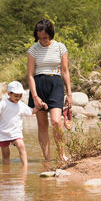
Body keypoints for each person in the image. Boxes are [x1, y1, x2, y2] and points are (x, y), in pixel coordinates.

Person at [27, 19, 72, 164]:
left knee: (56, 121)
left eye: (45, 38)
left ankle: (61, 155)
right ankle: (47, 159)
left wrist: (69, 94)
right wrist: (35, 96)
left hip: (56, 85)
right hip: (38, 86)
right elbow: (30, 75)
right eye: (39, 38)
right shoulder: (33, 50)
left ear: (51, 34)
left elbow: (65, 71)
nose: (42, 41)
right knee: (42, 125)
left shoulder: (60, 47)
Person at [0, 81, 47, 166]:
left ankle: (25, 167)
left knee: (21, 146)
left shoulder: (20, 105)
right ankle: (6, 171)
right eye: (16, 96)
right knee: (5, 154)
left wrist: (39, 106)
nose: (18, 98)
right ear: (9, 94)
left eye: (20, 96)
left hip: (16, 132)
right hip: (3, 132)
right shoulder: (4, 103)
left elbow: (31, 112)